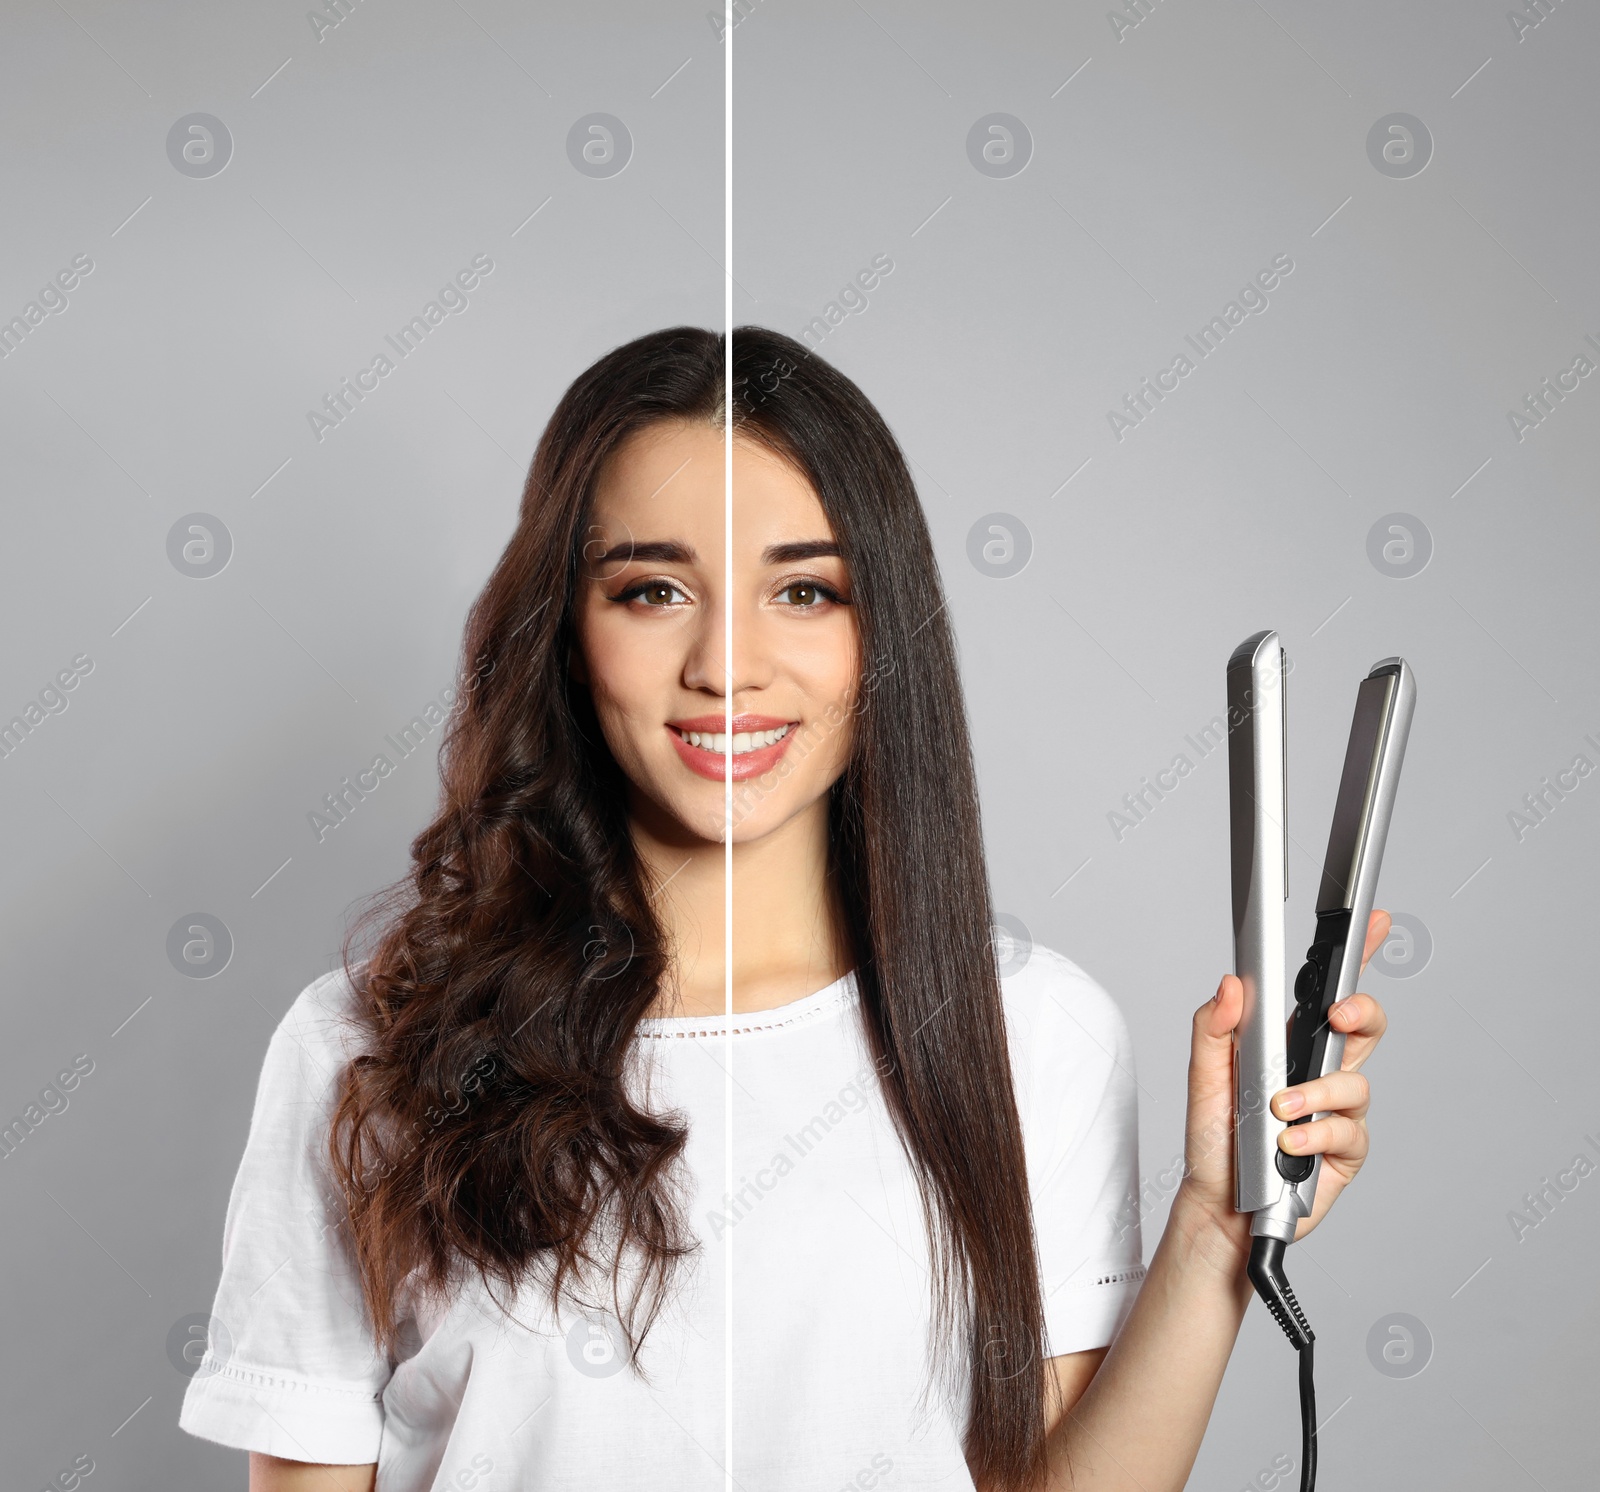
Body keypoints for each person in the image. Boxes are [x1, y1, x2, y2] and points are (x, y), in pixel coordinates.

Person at [179, 326, 1389, 1491]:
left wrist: (1216, 1221)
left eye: (805, 591)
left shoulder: (1036, 1033)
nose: (728, 664)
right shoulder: (368, 1047)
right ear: (563, 631)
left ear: (882, 637)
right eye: (653, 589)